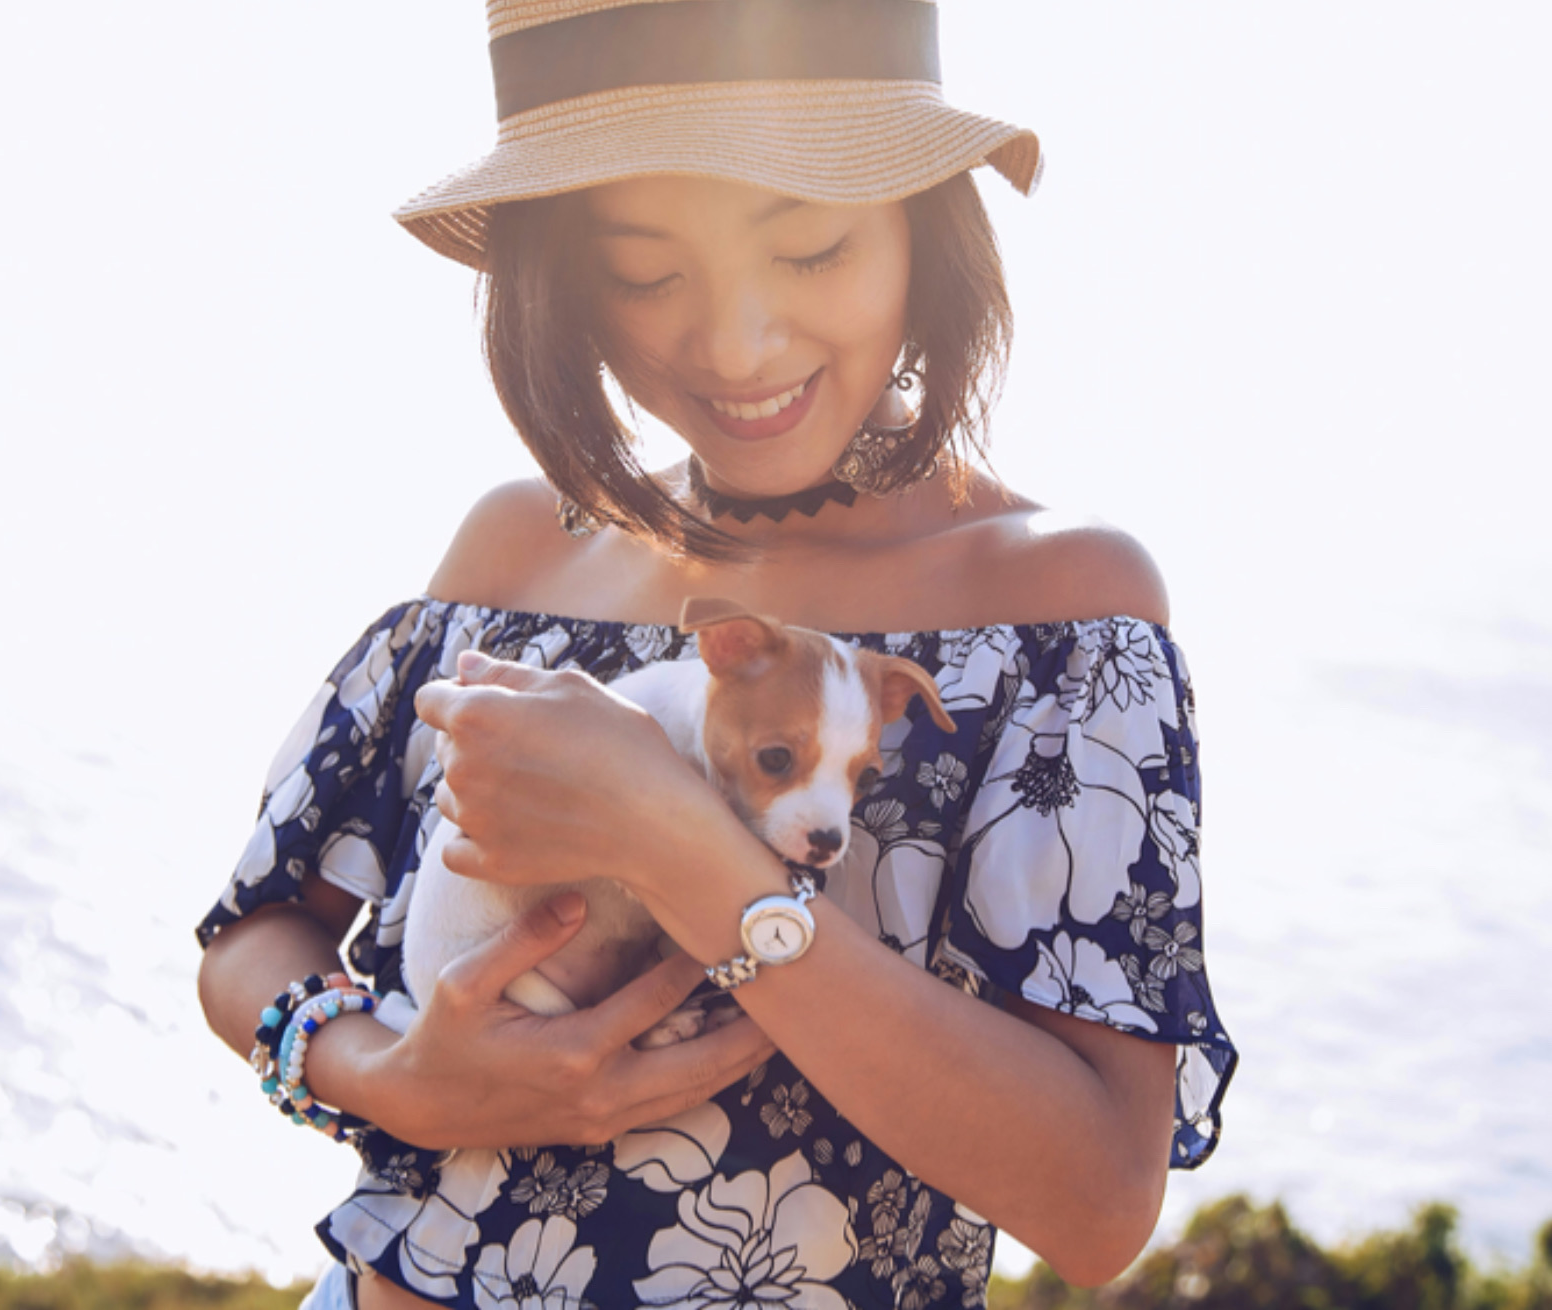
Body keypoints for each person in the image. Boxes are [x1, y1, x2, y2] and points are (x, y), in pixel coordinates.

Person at [196, 2, 1237, 1306]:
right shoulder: (515, 555)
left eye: (808, 243)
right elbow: (255, 934)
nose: (737, 346)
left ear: (923, 220)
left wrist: (675, 840)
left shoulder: (1059, 614)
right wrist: (380, 1072)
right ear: (563, 276)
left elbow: (1093, 1206)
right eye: (644, 270)